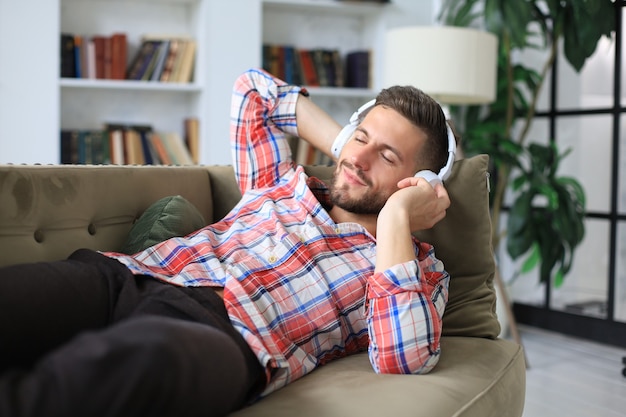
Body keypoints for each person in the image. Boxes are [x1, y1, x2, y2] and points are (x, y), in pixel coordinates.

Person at [0, 68, 451, 417]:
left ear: (416, 182)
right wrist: (349, 147)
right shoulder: (277, 183)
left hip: (224, 335)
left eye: (386, 156)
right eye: (361, 137)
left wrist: (396, 217)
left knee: (129, 365)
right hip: (129, 277)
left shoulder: (416, 269)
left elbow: (403, 357)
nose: (360, 157)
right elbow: (253, 91)